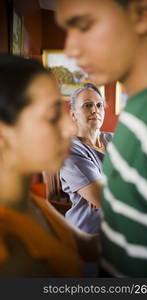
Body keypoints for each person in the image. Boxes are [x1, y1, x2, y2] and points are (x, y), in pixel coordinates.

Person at [55, 0, 147, 277]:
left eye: (85, 26)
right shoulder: (137, 118)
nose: (71, 49)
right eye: (88, 106)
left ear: (142, 14)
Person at [0, 54, 82, 277]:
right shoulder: (10, 255)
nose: (71, 129)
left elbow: (85, 246)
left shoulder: (29, 200)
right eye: (53, 116)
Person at [60, 83, 112, 234]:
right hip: (88, 234)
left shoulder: (115, 139)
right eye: (87, 105)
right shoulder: (69, 151)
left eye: (99, 105)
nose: (95, 110)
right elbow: (104, 200)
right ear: (73, 114)